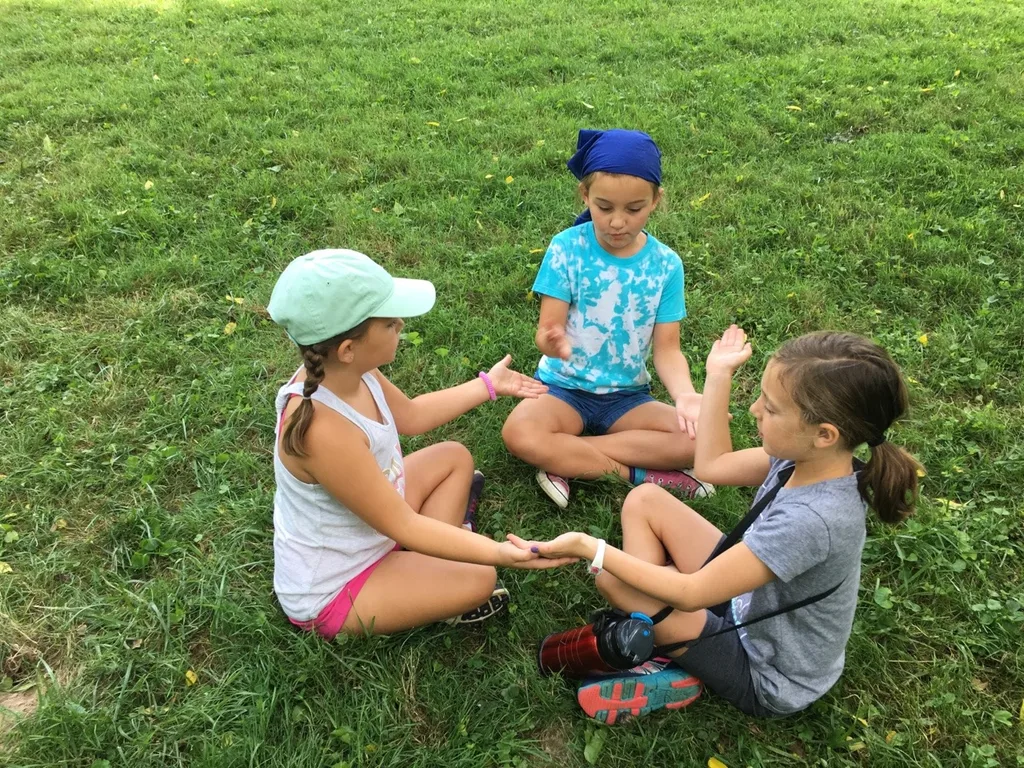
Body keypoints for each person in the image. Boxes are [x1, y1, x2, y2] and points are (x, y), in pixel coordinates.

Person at [515, 325, 921, 722]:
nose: (754, 410)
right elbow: (712, 465)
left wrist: (592, 548)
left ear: (824, 434)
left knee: (614, 580)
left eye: (771, 407)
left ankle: (657, 654)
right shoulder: (813, 459)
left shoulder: (814, 519)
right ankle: (658, 631)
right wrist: (718, 374)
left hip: (765, 671)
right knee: (645, 501)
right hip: (747, 603)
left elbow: (691, 594)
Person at [268, 249, 575, 639]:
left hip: (379, 525)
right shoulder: (322, 431)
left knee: (454, 457)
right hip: (340, 585)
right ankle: (439, 574)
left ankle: (432, 565)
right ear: (348, 348)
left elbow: (411, 416)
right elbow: (405, 525)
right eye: (390, 322)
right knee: (480, 578)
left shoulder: (344, 370)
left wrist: (488, 386)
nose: (400, 323)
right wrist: (499, 552)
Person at [502, 128, 713, 509]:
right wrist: (550, 339)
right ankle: (641, 474)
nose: (618, 222)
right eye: (604, 207)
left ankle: (566, 457)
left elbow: (667, 350)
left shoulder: (666, 265)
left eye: (634, 209)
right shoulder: (566, 248)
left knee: (703, 437)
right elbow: (547, 329)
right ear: (585, 196)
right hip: (562, 390)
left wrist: (686, 396)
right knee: (520, 433)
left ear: (656, 200)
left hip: (627, 398)